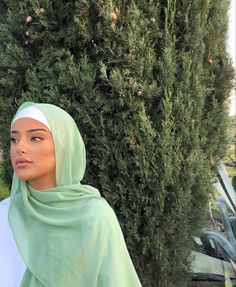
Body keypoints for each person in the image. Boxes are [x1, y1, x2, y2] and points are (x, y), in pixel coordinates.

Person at [0, 102, 142, 287]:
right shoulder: (6, 213)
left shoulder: (93, 215)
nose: (20, 148)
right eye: (14, 139)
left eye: (35, 138)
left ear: (63, 145)